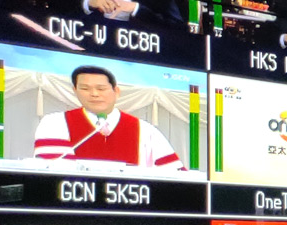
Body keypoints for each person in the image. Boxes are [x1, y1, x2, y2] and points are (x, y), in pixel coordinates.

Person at [31, 64, 182, 168]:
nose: (94, 94)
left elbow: (174, 176)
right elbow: (54, 173)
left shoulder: (146, 131)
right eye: (85, 88)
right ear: (75, 91)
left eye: (101, 88)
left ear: (116, 91)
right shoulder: (55, 124)